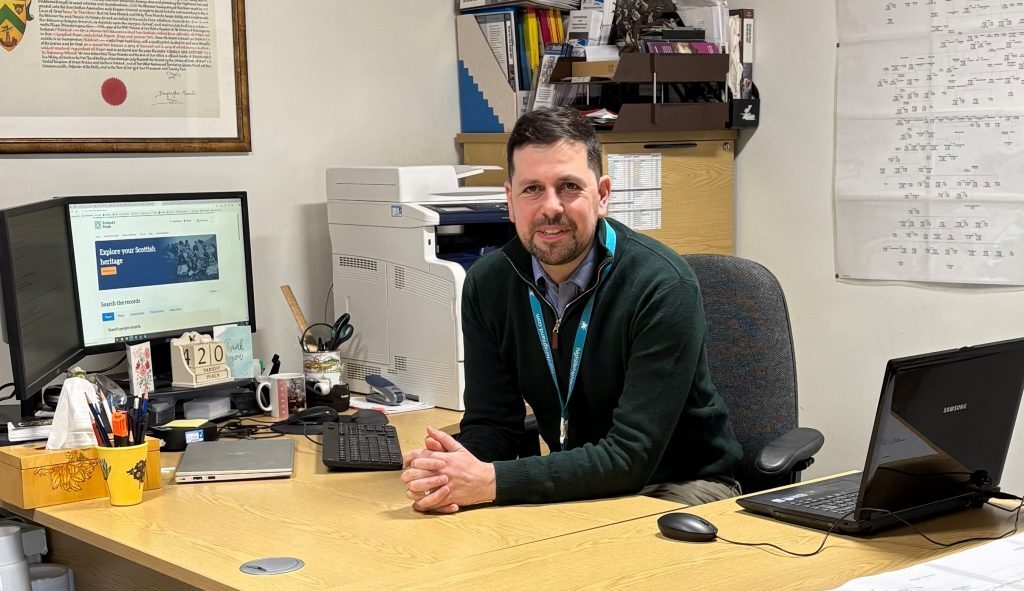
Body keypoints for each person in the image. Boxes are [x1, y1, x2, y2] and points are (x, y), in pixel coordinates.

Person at [401, 106, 742, 514]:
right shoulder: (489, 283)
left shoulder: (662, 285)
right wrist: (448, 472)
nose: (551, 207)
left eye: (568, 186)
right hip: (584, 481)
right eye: (532, 189)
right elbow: (494, 426)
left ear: (602, 195)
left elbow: (631, 457)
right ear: (509, 200)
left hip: (680, 486)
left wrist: (491, 481)